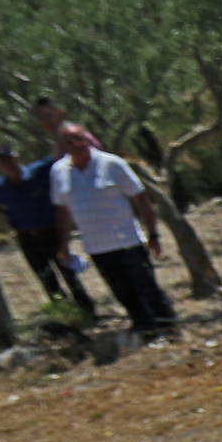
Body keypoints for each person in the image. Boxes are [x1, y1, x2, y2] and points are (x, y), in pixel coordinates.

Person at [49, 130, 176, 339]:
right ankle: (146, 330)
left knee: (146, 287)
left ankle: (169, 328)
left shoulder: (112, 163)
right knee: (122, 291)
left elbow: (140, 199)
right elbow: (63, 211)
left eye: (79, 138)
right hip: (96, 245)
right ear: (62, 146)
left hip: (127, 241)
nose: (75, 144)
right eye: (68, 141)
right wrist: (64, 245)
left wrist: (153, 234)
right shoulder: (58, 171)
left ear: (87, 139)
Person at [0, 145, 97, 319]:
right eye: (2, 162)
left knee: (69, 274)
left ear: (17, 157)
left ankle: (88, 312)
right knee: (46, 278)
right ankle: (67, 316)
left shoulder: (39, 172)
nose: (8, 165)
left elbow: (59, 154)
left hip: (52, 233)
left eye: (9, 159)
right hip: (27, 237)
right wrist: (11, 217)